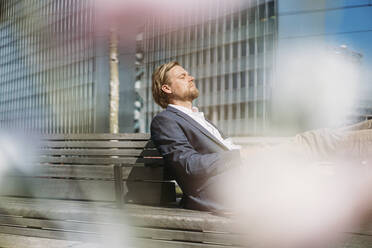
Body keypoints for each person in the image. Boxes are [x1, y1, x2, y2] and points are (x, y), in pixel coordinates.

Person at [150, 61, 372, 212]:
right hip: (231, 188)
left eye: (188, 74)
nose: (191, 77)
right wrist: (241, 155)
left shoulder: (199, 118)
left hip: (248, 173)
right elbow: (188, 165)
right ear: (167, 88)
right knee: (314, 142)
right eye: (183, 76)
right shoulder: (165, 121)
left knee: (322, 146)